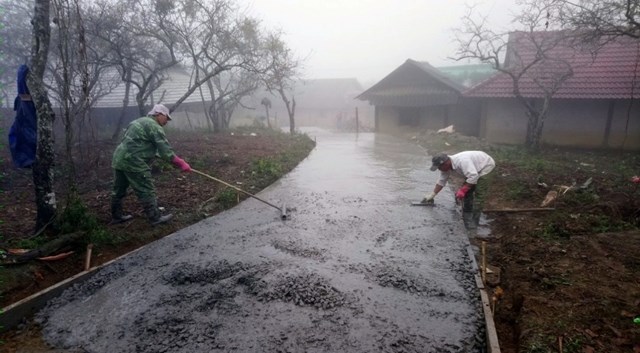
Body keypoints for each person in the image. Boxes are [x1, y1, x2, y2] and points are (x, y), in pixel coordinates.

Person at [110, 104, 192, 226]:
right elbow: (166, 151)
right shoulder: (155, 127)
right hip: (134, 162)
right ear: (159, 114)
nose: (167, 121)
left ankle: (117, 216)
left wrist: (154, 154)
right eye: (166, 118)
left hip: (119, 159)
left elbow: (137, 143)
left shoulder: (138, 121)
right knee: (146, 189)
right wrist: (181, 163)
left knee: (118, 190)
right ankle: (155, 218)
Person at [422, 151, 495, 229]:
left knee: (479, 195)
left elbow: (473, 176)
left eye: (439, 167)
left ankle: (474, 222)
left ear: (446, 163)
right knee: (468, 192)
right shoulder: (446, 167)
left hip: (485, 166)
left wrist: (463, 190)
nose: (439, 170)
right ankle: (467, 214)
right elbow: (441, 181)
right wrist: (433, 194)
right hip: (473, 169)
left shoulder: (462, 161)